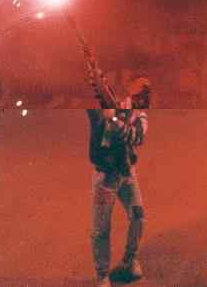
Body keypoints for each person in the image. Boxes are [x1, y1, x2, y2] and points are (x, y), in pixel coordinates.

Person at [87, 77, 151, 287]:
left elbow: (135, 136)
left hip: (127, 173)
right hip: (106, 175)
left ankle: (129, 261)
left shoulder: (139, 115)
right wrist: (97, 86)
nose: (145, 96)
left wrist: (114, 119)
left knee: (138, 216)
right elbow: (97, 115)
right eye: (142, 90)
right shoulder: (113, 105)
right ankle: (102, 275)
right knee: (101, 228)